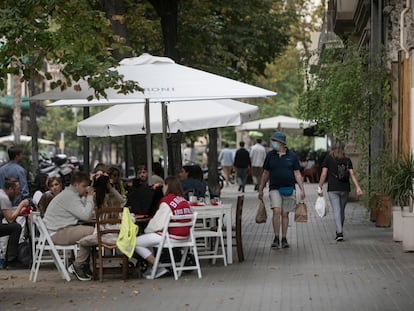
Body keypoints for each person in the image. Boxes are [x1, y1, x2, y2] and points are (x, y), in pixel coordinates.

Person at [135, 176, 193, 279]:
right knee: (147, 241)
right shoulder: (184, 201)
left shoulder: (167, 201)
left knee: (135, 242)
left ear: (167, 186)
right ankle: (153, 267)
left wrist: (146, 231)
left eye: (164, 185)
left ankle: (158, 266)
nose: (162, 188)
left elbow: (157, 223)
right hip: (185, 237)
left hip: (171, 237)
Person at [43, 171, 95, 281]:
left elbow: (82, 211)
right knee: (92, 232)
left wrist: (86, 198)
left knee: (90, 231)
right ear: (76, 185)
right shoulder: (70, 196)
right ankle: (78, 264)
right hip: (56, 233)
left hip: (57, 230)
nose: (86, 189)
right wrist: (90, 197)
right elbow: (86, 216)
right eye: (84, 186)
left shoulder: (70, 194)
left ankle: (82, 264)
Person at [258, 131, 305, 249]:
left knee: (285, 213)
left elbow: (297, 173)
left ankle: (284, 238)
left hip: (289, 188)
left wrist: (302, 189)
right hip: (274, 188)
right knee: (276, 211)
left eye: (274, 141)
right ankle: (276, 237)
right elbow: (265, 173)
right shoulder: (270, 155)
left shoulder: (292, 156)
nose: (273, 143)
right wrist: (261, 188)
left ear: (281, 143)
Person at [317, 141, 363, 241]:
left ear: (332, 148)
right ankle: (339, 230)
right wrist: (358, 187)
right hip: (345, 189)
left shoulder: (328, 158)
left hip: (333, 188)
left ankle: (339, 232)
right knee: (341, 210)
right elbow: (352, 174)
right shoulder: (347, 159)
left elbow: (324, 174)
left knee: (337, 210)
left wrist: (320, 187)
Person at [0, 178, 29, 268]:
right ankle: (11, 260)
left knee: (13, 227)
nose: (18, 192)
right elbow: (10, 219)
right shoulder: (4, 197)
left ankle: (8, 258)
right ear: (10, 189)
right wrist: (21, 205)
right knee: (16, 227)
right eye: (17, 190)